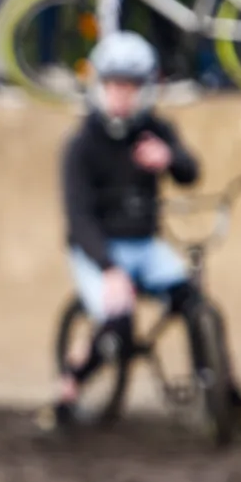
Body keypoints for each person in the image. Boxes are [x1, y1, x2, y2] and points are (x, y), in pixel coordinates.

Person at [50, 32, 199, 426]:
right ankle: (70, 384)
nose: (122, 96)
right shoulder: (81, 145)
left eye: (131, 87)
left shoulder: (154, 130)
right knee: (117, 320)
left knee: (196, 303)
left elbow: (190, 171)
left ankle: (221, 389)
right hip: (98, 249)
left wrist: (170, 158)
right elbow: (78, 218)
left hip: (144, 244)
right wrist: (109, 268)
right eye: (114, 85)